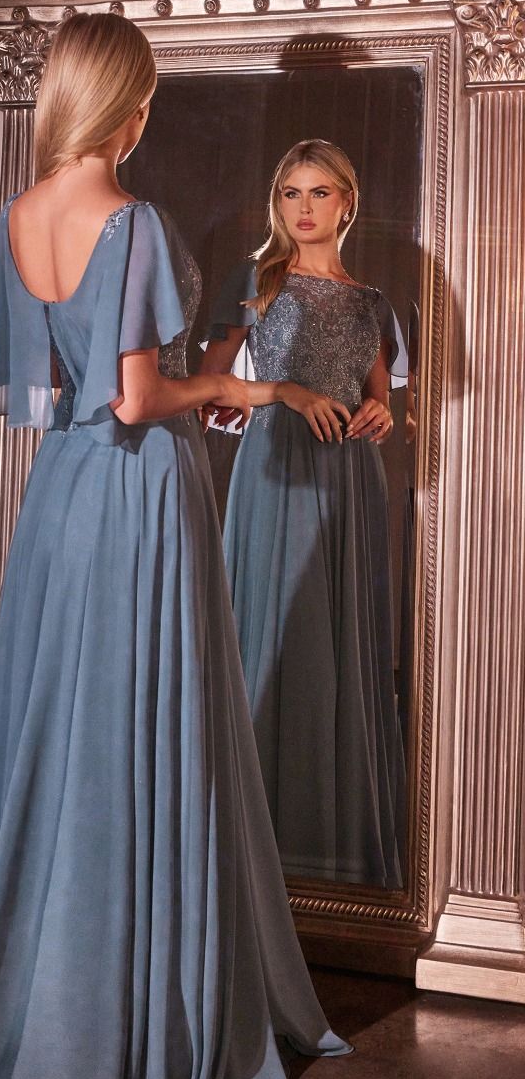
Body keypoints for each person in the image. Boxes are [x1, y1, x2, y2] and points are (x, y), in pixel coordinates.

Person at [0, 22, 350, 1079]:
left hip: (63, 494)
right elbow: (136, 398)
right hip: (140, 492)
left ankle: (36, 1000)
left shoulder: (19, 216)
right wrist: (239, 390)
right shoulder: (129, 220)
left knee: (62, 735)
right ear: (129, 107)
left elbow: (53, 388)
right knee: (140, 729)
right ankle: (129, 1019)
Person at [200, 139, 407, 889]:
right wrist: (279, 393)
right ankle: (254, 850)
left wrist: (383, 412)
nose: (304, 208)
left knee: (338, 643)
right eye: (291, 193)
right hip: (277, 470)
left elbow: (379, 395)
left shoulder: (371, 302)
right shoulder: (254, 281)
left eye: (320, 192)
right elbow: (209, 385)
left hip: (349, 477)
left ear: (347, 202)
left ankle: (332, 853)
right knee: (276, 632)